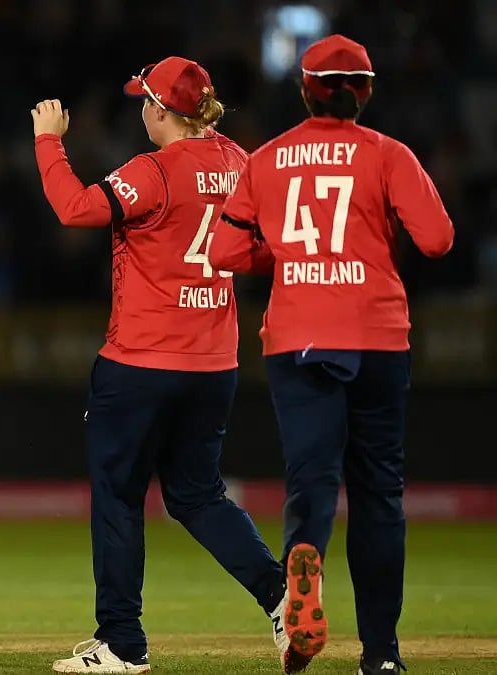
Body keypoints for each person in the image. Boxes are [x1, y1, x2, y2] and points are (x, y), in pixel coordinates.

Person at [31, 57, 297, 674]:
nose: (140, 111)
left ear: (158, 109)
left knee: (120, 499)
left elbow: (74, 209)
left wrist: (49, 142)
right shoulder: (239, 162)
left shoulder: (151, 170)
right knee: (198, 493)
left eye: (143, 102)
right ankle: (279, 592)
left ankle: (122, 643)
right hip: (214, 360)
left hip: (141, 361)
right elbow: (268, 243)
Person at [209, 34, 454, 675]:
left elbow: (228, 253)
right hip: (375, 337)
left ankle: (303, 563)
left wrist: (288, 253)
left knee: (311, 480)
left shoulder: (266, 159)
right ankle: (382, 656)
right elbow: (438, 239)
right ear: (364, 90)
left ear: (305, 88)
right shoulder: (388, 154)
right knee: (379, 496)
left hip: (298, 336)